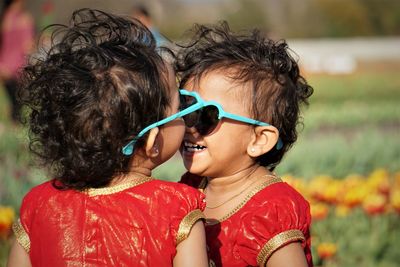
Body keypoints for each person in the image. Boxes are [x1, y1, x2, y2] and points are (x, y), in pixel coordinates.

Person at [7, 9, 208, 267]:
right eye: (179, 106)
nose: (185, 114)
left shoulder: (38, 205)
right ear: (152, 140)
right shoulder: (176, 207)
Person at [176, 22, 314, 267]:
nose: (190, 127)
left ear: (259, 139)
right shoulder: (191, 186)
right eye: (184, 110)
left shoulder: (271, 210)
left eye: (207, 116)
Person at [0, 0, 34, 123]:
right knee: (19, 104)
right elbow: (27, 46)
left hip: (3, 66)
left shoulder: (5, 17)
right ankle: (15, 128)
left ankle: (12, 126)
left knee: (12, 102)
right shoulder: (24, 19)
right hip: (18, 67)